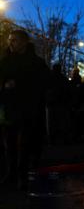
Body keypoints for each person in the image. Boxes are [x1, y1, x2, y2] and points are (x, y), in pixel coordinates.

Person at [0, 30, 49, 189]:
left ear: (24, 42)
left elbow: (43, 85)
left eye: (14, 40)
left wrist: (19, 85)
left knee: (25, 144)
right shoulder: (5, 61)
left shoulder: (36, 63)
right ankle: (11, 173)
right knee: (10, 144)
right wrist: (4, 86)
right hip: (9, 109)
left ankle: (23, 175)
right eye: (10, 40)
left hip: (29, 110)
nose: (11, 43)